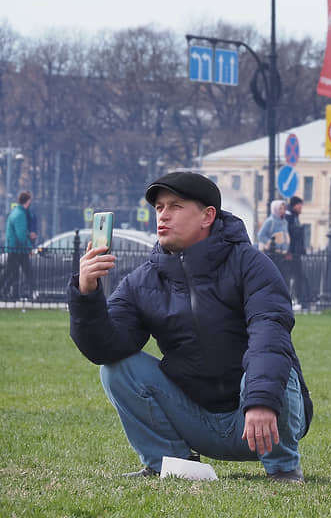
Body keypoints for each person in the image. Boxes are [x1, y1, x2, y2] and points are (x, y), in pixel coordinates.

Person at [67, 172, 312, 483]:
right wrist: (86, 293)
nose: (163, 216)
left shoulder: (252, 265)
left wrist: (261, 400)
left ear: (207, 216)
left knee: (280, 366)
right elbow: (106, 348)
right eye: (159, 208)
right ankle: (170, 463)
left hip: (259, 419)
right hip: (197, 417)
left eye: (176, 206)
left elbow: (269, 334)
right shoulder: (143, 281)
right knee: (116, 369)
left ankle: (283, 467)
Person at [2, 191, 35, 299]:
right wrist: (29, 247)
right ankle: (33, 293)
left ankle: (14, 294)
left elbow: (21, 232)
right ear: (28, 201)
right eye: (30, 200)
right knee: (17, 272)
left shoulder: (17, 212)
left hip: (16, 248)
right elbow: (21, 235)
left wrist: (28, 236)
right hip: (17, 249)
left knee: (12, 272)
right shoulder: (20, 214)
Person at [284, 196, 312, 308]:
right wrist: (289, 251)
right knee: (295, 277)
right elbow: (290, 235)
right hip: (292, 253)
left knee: (298, 277)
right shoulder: (290, 217)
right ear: (295, 205)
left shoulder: (294, 217)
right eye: (300, 205)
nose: (301, 208)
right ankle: (299, 299)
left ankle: (301, 299)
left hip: (295, 252)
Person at [257, 199, 289, 278]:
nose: (282, 211)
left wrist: (286, 249)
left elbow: (285, 238)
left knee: (282, 278)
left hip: (282, 256)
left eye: (284, 208)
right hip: (272, 255)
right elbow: (260, 235)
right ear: (275, 209)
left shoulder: (285, 222)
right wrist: (270, 242)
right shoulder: (270, 221)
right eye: (280, 208)